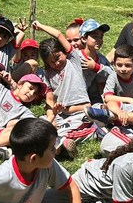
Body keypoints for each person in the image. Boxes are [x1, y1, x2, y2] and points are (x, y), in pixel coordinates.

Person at [35, 20, 95, 158]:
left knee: (67, 130)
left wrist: (41, 26)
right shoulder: (48, 74)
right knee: (40, 125)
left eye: (58, 57)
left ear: (64, 52)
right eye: (51, 62)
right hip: (61, 113)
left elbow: (58, 35)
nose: (56, 63)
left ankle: (63, 143)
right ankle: (58, 146)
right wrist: (52, 116)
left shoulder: (73, 61)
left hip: (80, 111)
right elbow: (49, 98)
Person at [77, 19, 113, 103]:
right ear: (84, 39)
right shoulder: (77, 57)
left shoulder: (102, 59)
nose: (99, 39)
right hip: (78, 97)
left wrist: (96, 67)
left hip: (96, 98)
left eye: (101, 36)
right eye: (95, 36)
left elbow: (113, 75)